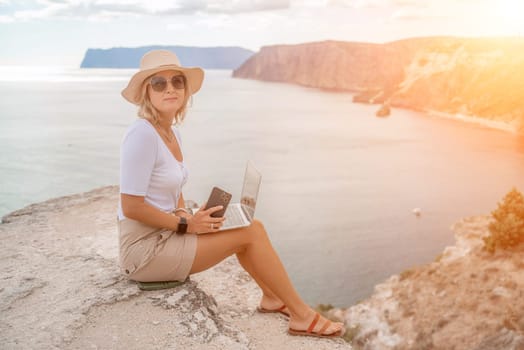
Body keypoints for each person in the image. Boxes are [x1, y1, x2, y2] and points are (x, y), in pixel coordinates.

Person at [118, 49, 345, 339]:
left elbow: (172, 189)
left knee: (251, 226)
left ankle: (272, 298)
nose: (170, 88)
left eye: (177, 81)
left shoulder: (169, 131)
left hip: (166, 233)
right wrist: (186, 226)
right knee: (250, 234)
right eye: (159, 83)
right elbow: (131, 206)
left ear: (186, 90)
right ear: (146, 92)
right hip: (144, 252)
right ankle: (302, 315)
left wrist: (187, 215)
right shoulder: (141, 135)